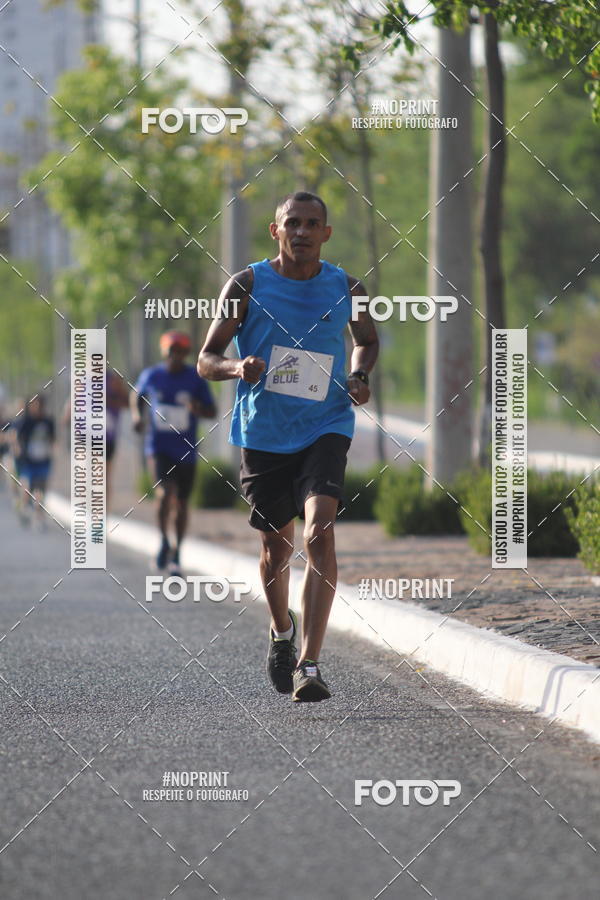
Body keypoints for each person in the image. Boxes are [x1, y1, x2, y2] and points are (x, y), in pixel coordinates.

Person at [197, 190, 378, 702]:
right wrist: (237, 366)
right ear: (275, 231)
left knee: (320, 531)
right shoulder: (247, 284)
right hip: (265, 434)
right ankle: (281, 631)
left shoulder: (347, 285)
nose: (301, 231)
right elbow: (206, 359)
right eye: (291, 223)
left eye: (311, 223)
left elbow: (366, 338)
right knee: (275, 547)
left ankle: (311, 665)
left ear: (326, 233)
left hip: (327, 424)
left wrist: (359, 375)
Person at [132, 330, 216, 574]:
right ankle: (163, 542)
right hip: (159, 446)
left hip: (186, 450)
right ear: (164, 352)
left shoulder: (195, 379)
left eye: (181, 352)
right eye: (172, 351)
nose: (176, 356)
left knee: (181, 503)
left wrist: (197, 407)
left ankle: (177, 549)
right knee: (164, 495)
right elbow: (136, 396)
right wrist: (138, 417)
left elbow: (212, 411)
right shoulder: (152, 375)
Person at [12, 395, 55, 527]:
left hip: (43, 461)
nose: (35, 407)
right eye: (33, 405)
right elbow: (17, 437)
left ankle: (39, 515)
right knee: (26, 488)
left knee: (40, 490)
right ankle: (24, 507)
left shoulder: (48, 421)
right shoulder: (26, 421)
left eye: (37, 404)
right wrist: (17, 449)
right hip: (28, 461)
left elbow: (53, 439)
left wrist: (53, 450)